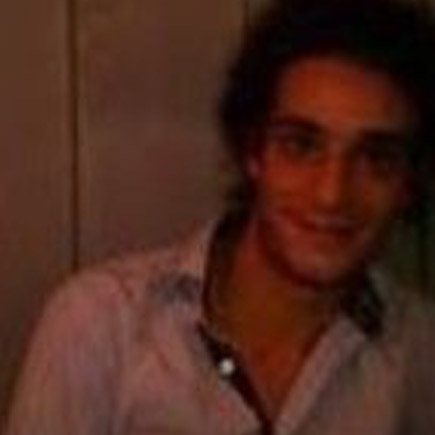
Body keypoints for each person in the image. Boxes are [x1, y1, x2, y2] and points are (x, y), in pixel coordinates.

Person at [6, 0, 435, 433]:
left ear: (409, 182)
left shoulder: (420, 353)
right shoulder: (101, 325)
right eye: (301, 146)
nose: (331, 194)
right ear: (253, 153)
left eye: (377, 159)